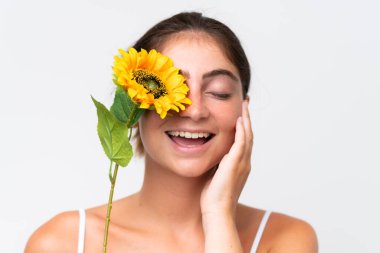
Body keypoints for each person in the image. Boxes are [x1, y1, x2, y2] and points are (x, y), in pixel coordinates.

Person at [25, 12, 318, 253]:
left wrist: (218, 215)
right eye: (169, 89)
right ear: (134, 101)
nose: (194, 110)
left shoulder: (285, 239)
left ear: (244, 110)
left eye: (218, 92)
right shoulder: (61, 242)